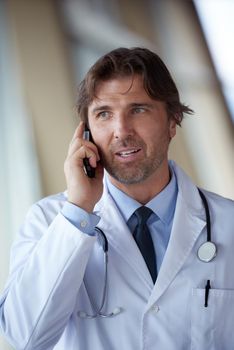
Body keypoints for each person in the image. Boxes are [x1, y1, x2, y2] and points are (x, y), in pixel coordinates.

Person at [0, 47, 233, 350]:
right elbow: (24, 337)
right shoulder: (48, 221)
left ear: (173, 121)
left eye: (138, 109)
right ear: (85, 133)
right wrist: (79, 210)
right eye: (104, 114)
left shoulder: (227, 223)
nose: (121, 131)